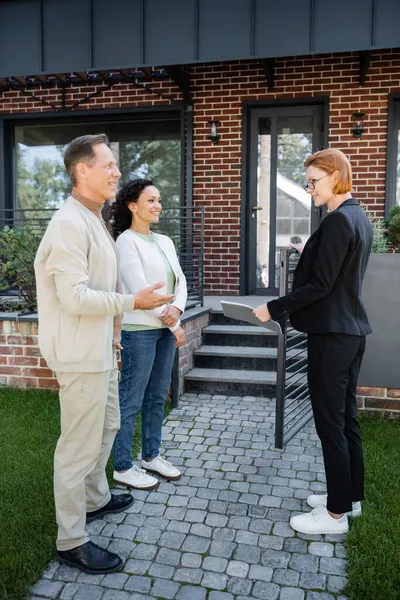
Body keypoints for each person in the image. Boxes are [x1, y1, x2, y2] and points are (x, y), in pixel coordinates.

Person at [34, 134, 175, 574]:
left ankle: (95, 499)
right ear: (83, 171)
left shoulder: (92, 219)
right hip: (78, 354)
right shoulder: (68, 224)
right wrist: (133, 305)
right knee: (77, 447)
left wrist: (115, 331)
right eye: (109, 165)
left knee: (108, 426)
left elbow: (103, 286)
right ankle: (71, 540)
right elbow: (75, 296)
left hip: (100, 349)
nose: (117, 172)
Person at [253, 148, 373, 535]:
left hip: (333, 335)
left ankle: (335, 515)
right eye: (306, 182)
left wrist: (274, 306)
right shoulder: (358, 216)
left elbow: (322, 285)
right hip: (351, 332)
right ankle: (350, 497)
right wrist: (311, 251)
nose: (309, 189)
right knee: (345, 419)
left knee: (329, 425)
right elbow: (337, 273)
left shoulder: (338, 221)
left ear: (335, 175)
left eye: (313, 181)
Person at [109, 179, 187, 490]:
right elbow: (141, 292)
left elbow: (180, 281)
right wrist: (174, 324)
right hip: (140, 331)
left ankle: (151, 456)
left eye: (159, 200)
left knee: (156, 397)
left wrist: (178, 312)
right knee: (131, 399)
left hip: (166, 329)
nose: (158, 205)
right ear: (132, 206)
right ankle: (122, 466)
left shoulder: (165, 241)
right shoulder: (125, 242)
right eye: (151, 200)